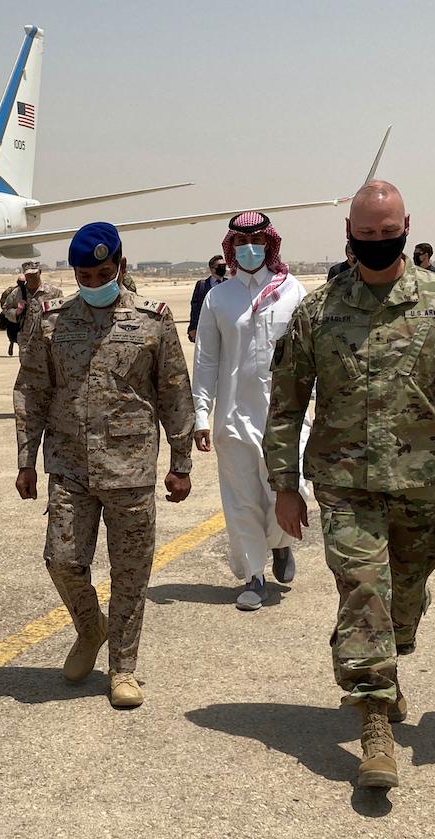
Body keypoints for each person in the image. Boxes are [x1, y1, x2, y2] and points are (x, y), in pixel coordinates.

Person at [264, 180, 435, 789]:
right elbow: (286, 405)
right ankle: (375, 719)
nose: (375, 242)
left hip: (426, 485)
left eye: (386, 231)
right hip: (345, 483)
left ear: (406, 226)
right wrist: (284, 485)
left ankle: (386, 658)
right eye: (364, 233)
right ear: (349, 232)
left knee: (404, 598)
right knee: (363, 589)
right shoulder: (318, 312)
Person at [14, 221, 195, 709]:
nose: (93, 283)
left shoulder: (153, 322)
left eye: (102, 273)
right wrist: (25, 458)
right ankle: (90, 628)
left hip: (130, 467)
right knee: (63, 561)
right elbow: (32, 390)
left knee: (130, 572)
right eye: (84, 276)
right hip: (69, 465)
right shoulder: (51, 321)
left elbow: (175, 392)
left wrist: (181, 461)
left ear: (121, 266)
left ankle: (123, 668)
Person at [192, 212, 306, 611]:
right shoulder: (218, 298)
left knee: (288, 493)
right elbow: (206, 361)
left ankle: (281, 544)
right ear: (231, 247)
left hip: (286, 419)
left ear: (270, 243)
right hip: (234, 417)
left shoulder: (293, 292)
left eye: (256, 240)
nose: (249, 248)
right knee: (241, 498)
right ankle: (255, 576)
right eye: (240, 242)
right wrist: (201, 414)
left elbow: (310, 360)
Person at [187, 255, 228, 343]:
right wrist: (193, 327)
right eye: (220, 267)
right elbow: (195, 308)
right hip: (206, 329)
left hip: (226, 329)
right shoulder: (202, 285)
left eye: (224, 266)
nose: (223, 269)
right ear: (212, 268)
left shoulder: (229, 284)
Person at [0, 275, 28, 357]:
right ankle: (12, 343)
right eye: (20, 282)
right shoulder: (13, 292)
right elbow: (5, 305)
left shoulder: (28, 291)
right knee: (12, 334)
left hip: (24, 317)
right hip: (14, 316)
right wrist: (14, 312)